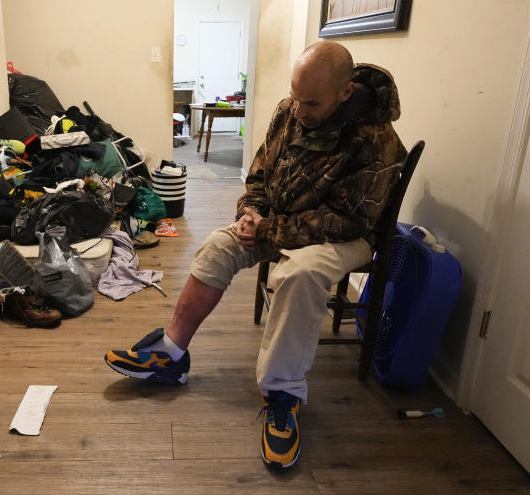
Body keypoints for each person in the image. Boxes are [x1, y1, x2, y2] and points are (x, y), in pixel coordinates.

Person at [104, 40, 406, 469]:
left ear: (344, 92)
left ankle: (283, 394)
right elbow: (261, 172)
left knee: (299, 274)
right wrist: (251, 212)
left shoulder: (375, 138)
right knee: (217, 245)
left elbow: (348, 221)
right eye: (295, 97)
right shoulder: (289, 110)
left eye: (311, 102)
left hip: (344, 237)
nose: (298, 110)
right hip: (277, 222)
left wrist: (268, 231)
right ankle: (171, 354)